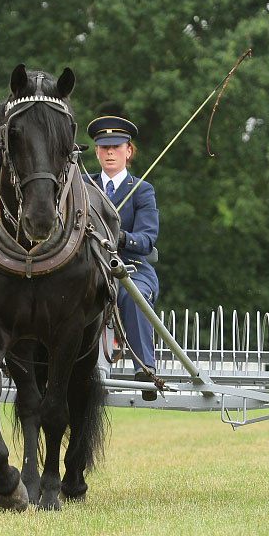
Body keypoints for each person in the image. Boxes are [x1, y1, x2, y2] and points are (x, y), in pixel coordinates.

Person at [86, 115, 159, 400]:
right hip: (87, 265)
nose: (110, 152)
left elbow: (147, 239)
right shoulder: (81, 184)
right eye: (104, 147)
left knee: (133, 294)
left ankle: (145, 367)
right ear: (96, 152)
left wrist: (120, 238)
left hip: (130, 268)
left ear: (128, 151)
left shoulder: (142, 191)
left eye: (116, 147)